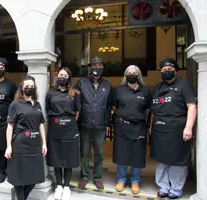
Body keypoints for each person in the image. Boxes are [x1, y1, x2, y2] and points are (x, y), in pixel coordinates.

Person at [151, 58, 197, 199]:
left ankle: (175, 189)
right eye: (164, 70)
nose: (167, 72)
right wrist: (151, 128)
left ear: (176, 71)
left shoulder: (184, 85)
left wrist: (188, 128)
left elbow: (192, 107)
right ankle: (163, 186)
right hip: (159, 130)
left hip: (177, 130)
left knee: (177, 160)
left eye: (170, 70)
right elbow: (154, 110)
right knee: (162, 158)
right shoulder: (158, 88)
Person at [5, 75, 47, 200]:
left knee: (34, 176)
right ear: (22, 88)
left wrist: (44, 143)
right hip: (19, 144)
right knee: (18, 176)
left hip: (35, 145)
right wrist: (8, 146)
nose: (30, 88)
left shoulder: (38, 105)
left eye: (32, 86)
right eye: (27, 86)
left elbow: (41, 125)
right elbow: (10, 126)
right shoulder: (15, 104)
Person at [112, 65, 152, 194]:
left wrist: (148, 124)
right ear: (125, 75)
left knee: (137, 154)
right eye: (129, 73)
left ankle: (135, 181)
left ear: (138, 75)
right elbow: (114, 107)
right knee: (121, 153)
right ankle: (121, 179)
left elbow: (149, 109)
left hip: (139, 127)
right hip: (122, 126)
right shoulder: (118, 90)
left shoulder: (145, 91)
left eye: (134, 73)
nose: (132, 74)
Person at [75, 56, 112, 189]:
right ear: (90, 68)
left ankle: (97, 177)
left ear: (103, 68)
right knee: (84, 152)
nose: (97, 68)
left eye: (99, 65)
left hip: (100, 125)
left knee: (99, 153)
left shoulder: (107, 85)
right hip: (84, 124)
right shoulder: (81, 83)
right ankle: (84, 176)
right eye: (94, 65)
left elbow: (109, 106)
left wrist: (107, 122)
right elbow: (75, 101)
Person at [46, 67, 80, 200]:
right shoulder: (50, 93)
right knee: (56, 157)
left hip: (69, 129)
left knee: (68, 157)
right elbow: (47, 109)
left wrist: (67, 122)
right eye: (61, 75)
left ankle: (66, 186)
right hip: (54, 129)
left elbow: (77, 112)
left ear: (69, 78)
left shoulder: (75, 93)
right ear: (56, 76)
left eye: (65, 75)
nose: (62, 77)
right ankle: (58, 185)